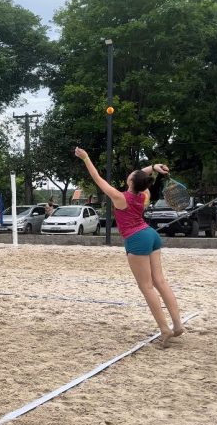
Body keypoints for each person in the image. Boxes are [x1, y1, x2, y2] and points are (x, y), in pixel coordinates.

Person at [75, 147, 184, 347]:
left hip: (137, 238)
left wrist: (86, 158)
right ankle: (177, 324)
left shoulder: (121, 198)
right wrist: (153, 167)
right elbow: (142, 177)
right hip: (151, 235)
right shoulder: (144, 195)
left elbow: (97, 178)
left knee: (147, 286)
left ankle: (165, 329)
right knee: (160, 281)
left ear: (131, 182)